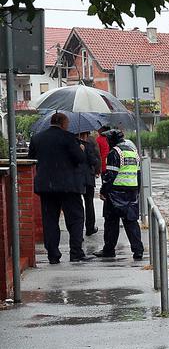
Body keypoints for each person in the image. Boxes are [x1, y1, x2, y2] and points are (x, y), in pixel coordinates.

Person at [26, 111, 90, 264]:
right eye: (67, 123)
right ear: (63, 123)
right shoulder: (69, 138)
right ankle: (75, 252)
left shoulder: (37, 138)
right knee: (75, 218)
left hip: (46, 187)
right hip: (69, 186)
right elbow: (80, 159)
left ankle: (53, 255)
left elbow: (31, 159)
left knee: (50, 220)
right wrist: (80, 149)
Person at [95, 129, 144, 261]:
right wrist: (137, 191)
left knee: (111, 222)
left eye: (108, 140)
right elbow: (138, 174)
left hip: (115, 192)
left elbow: (110, 176)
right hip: (131, 191)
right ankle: (138, 250)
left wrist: (103, 191)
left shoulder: (114, 153)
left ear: (112, 140)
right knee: (131, 222)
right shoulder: (133, 152)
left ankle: (109, 250)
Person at [77, 130, 101, 236]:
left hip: (76, 178)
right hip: (88, 178)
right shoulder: (91, 142)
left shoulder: (73, 141)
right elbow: (95, 159)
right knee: (89, 203)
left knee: (77, 205)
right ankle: (90, 228)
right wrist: (97, 170)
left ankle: (78, 231)